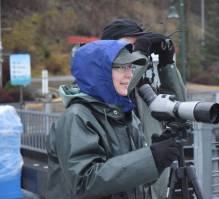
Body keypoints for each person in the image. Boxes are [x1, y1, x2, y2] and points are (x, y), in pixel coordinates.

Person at [46, 40, 181, 199]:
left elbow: (136, 181)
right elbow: (83, 182)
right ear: (98, 72)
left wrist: (157, 160)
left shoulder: (125, 115)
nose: (129, 74)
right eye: (121, 67)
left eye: (130, 67)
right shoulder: (76, 117)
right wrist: (150, 158)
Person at [101, 19, 187, 198]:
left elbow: (178, 106)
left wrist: (166, 64)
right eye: (130, 47)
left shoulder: (143, 83)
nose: (135, 53)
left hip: (155, 185)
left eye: (138, 46)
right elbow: (116, 97)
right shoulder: (100, 85)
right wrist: (141, 54)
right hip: (124, 187)